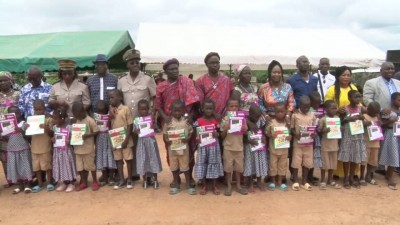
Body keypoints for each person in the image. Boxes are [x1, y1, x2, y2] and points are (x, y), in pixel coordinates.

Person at [155, 58, 202, 187]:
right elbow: (158, 106)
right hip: (170, 123)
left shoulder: (186, 82)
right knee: (172, 148)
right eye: (171, 69)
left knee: (189, 148)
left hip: (185, 121)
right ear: (165, 71)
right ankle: (175, 178)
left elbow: (195, 102)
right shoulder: (161, 86)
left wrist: (190, 116)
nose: (175, 71)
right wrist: (166, 118)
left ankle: (190, 177)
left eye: (176, 68)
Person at [118, 49, 156, 181]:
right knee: (132, 146)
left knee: (147, 147)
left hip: (144, 121)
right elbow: (119, 99)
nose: (135, 64)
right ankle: (134, 173)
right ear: (127, 65)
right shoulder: (122, 81)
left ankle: (150, 174)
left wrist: (153, 117)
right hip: (129, 121)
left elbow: (154, 98)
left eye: (137, 62)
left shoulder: (148, 79)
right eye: (132, 62)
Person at [325, 66, 360, 178]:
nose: (346, 77)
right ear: (338, 76)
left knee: (352, 146)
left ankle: (353, 172)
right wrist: (338, 110)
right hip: (337, 121)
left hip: (353, 123)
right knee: (340, 147)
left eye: (348, 75)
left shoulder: (353, 87)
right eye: (344, 75)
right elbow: (327, 104)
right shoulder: (332, 89)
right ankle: (337, 172)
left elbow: (359, 103)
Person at [163, 100, 195, 195]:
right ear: (171, 111)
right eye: (175, 111)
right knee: (174, 166)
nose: (177, 113)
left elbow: (191, 131)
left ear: (183, 111)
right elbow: (165, 133)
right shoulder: (168, 122)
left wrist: (188, 139)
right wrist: (167, 140)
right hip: (172, 149)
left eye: (179, 111)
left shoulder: (186, 121)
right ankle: (176, 184)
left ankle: (188, 185)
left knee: (185, 166)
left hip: (184, 148)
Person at [193, 99, 223, 195]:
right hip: (203, 148)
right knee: (203, 164)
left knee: (213, 164)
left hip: (214, 147)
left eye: (211, 108)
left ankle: (214, 185)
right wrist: (197, 138)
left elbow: (220, 133)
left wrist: (216, 134)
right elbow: (196, 134)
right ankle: (204, 185)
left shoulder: (216, 121)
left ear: (214, 109)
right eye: (207, 108)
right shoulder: (198, 121)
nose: (209, 111)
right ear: (202, 109)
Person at [339, 90, 367, 189]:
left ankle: (351, 177)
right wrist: (348, 119)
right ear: (349, 98)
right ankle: (346, 177)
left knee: (355, 156)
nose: (358, 99)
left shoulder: (361, 108)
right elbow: (341, 121)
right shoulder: (345, 109)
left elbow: (369, 115)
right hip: (347, 135)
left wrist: (362, 118)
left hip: (358, 135)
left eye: (359, 97)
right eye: (356, 97)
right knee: (347, 156)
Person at [220, 99, 248, 196]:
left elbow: (245, 132)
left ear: (238, 107)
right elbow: (222, 136)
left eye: (236, 106)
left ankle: (238, 185)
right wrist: (225, 129)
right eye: (231, 106)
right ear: (227, 108)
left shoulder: (242, 119)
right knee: (228, 168)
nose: (234, 108)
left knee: (238, 168)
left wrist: (244, 129)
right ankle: (229, 185)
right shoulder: (225, 120)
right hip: (228, 147)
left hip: (239, 148)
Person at [109, 89, 134, 190]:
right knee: (118, 160)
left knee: (128, 160)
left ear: (119, 98)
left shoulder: (125, 109)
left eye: (112, 97)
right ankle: (122, 179)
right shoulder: (111, 111)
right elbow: (110, 126)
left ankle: (130, 179)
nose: (110, 100)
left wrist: (126, 140)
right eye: (109, 98)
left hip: (125, 141)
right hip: (116, 140)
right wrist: (112, 141)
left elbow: (130, 124)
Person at [134, 99, 162, 189]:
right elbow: (134, 131)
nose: (144, 111)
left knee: (153, 159)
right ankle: (145, 180)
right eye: (142, 109)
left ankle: (155, 180)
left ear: (148, 110)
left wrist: (154, 126)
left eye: (146, 109)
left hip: (151, 142)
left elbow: (157, 129)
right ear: (138, 110)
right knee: (142, 160)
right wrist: (136, 130)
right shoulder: (137, 120)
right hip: (141, 144)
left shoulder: (151, 119)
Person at [71, 102, 99, 191]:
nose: (77, 117)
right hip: (78, 149)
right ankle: (83, 182)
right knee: (80, 167)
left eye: (78, 115)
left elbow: (96, 132)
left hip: (88, 149)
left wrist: (87, 135)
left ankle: (95, 181)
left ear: (83, 112)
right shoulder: (76, 121)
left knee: (91, 166)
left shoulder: (90, 120)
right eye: (75, 116)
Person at [290, 96, 317, 191]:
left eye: (308, 107)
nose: (306, 109)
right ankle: (296, 180)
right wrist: (295, 134)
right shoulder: (294, 115)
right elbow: (292, 128)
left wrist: (314, 134)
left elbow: (314, 128)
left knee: (307, 162)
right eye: (304, 107)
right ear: (299, 105)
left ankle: (304, 181)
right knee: (296, 162)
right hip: (298, 143)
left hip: (309, 143)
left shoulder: (312, 115)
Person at [197, 52, 234, 117]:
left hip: (225, 117)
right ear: (206, 64)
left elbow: (231, 97)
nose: (215, 65)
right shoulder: (201, 81)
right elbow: (200, 102)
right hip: (208, 117)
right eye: (212, 63)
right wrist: (214, 114)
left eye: (217, 62)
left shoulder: (226, 80)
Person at [29, 100, 54, 192]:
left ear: (44, 108)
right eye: (36, 110)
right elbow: (28, 135)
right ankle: (40, 184)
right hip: (35, 147)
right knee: (37, 167)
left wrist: (46, 127)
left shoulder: (49, 119)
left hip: (45, 146)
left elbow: (52, 133)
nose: (38, 111)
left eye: (40, 109)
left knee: (47, 166)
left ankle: (50, 182)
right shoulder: (31, 119)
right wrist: (27, 128)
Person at [5, 106, 32, 194]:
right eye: (11, 114)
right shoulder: (7, 124)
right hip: (12, 149)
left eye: (16, 113)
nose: (15, 115)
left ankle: (27, 184)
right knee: (15, 167)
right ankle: (20, 185)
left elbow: (27, 136)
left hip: (23, 148)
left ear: (20, 113)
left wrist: (20, 130)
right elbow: (5, 138)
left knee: (25, 166)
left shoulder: (24, 123)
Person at [265, 103, 291, 191]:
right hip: (274, 149)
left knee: (282, 166)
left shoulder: (287, 123)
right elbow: (266, 132)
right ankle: (272, 182)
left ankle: (280, 182)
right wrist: (271, 135)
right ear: (274, 112)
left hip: (284, 149)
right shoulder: (272, 123)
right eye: (278, 112)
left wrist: (289, 137)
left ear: (285, 112)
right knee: (273, 166)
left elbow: (290, 134)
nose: (280, 113)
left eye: (282, 112)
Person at [0, 71, 20, 187]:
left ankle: (21, 178)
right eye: (0, 81)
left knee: (17, 152)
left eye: (5, 80)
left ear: (10, 80)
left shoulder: (18, 94)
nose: (2, 83)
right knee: (5, 156)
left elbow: (21, 111)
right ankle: (10, 180)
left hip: (15, 129)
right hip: (1, 131)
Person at [51, 108, 76, 192]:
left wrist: (69, 141)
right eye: (53, 118)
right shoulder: (54, 127)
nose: (54, 120)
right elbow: (54, 137)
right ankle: (64, 182)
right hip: (58, 151)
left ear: (62, 118)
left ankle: (71, 183)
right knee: (61, 165)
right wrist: (53, 140)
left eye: (56, 118)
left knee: (68, 165)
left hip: (67, 151)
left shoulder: (69, 127)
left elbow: (73, 138)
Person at [243, 105, 268, 192]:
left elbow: (263, 130)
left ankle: (259, 182)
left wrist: (264, 137)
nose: (257, 118)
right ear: (250, 114)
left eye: (258, 116)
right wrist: (249, 141)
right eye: (255, 116)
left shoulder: (260, 121)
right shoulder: (245, 122)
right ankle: (251, 183)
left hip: (259, 147)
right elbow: (243, 135)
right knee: (250, 164)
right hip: (249, 147)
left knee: (260, 163)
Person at [317, 100, 341, 189]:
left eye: (336, 108)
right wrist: (324, 130)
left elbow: (338, 130)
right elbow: (319, 130)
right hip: (325, 145)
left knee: (333, 164)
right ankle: (322, 180)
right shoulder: (323, 119)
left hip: (335, 145)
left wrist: (340, 129)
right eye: (332, 108)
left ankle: (330, 180)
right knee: (324, 164)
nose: (334, 110)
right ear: (326, 109)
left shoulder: (337, 118)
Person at [379, 92, 400, 190]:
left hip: (398, 134)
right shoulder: (388, 111)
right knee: (393, 155)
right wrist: (390, 121)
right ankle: (390, 176)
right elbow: (382, 125)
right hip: (391, 134)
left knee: (396, 154)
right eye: (398, 100)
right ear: (392, 100)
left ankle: (389, 174)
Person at [94, 100, 117, 186]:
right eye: (99, 112)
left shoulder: (110, 117)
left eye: (103, 112)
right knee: (101, 157)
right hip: (99, 139)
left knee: (110, 157)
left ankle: (111, 176)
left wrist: (109, 120)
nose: (101, 113)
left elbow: (112, 127)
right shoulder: (94, 118)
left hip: (108, 138)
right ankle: (104, 176)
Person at [361, 102, 381, 185]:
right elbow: (359, 127)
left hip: (376, 142)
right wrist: (364, 124)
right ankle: (361, 177)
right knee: (364, 161)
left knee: (372, 161)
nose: (375, 114)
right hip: (366, 143)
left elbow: (380, 126)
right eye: (374, 112)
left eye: (377, 112)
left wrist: (380, 123)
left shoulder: (377, 117)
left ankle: (368, 176)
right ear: (368, 109)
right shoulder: (364, 117)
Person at [309, 91, 323, 185]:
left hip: (317, 137)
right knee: (309, 157)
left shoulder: (321, 110)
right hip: (309, 137)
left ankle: (311, 175)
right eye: (315, 103)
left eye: (319, 103)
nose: (317, 105)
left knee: (314, 157)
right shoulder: (308, 111)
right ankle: (308, 177)